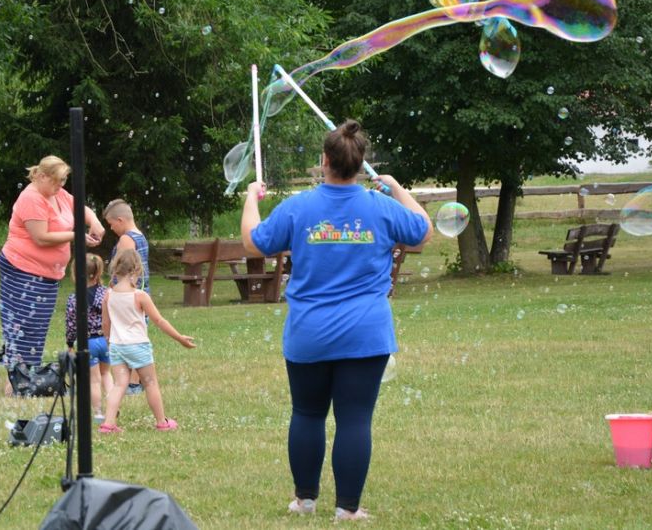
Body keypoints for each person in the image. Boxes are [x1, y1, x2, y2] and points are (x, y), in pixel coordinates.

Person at [241, 119, 432, 521]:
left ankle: (305, 501)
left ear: (324, 160)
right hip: (366, 334)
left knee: (307, 413)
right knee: (355, 419)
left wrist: (251, 199)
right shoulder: (380, 206)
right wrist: (396, 187)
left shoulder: (298, 207)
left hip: (309, 332)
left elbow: (254, 242)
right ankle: (347, 509)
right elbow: (423, 230)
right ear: (361, 164)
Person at [0, 155, 105, 393]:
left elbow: (79, 207)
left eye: (63, 181)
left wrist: (95, 221)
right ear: (41, 175)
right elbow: (41, 237)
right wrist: (76, 235)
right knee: (23, 325)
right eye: (56, 181)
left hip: (47, 274)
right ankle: (15, 382)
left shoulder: (57, 194)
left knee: (37, 327)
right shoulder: (31, 198)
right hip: (22, 269)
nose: (60, 186)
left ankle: (24, 380)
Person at [99, 249, 195, 434]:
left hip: (117, 347)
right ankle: (162, 422)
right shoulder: (140, 296)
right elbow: (159, 320)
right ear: (137, 270)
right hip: (138, 346)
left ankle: (108, 424)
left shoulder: (108, 295)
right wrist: (179, 338)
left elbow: (105, 323)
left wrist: (109, 341)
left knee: (119, 385)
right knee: (150, 383)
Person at [103, 198, 150, 394]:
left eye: (111, 223)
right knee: (138, 334)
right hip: (141, 293)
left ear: (120, 220)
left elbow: (121, 269)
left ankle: (132, 384)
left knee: (127, 337)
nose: (111, 228)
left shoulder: (126, 239)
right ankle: (139, 380)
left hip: (127, 297)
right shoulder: (140, 236)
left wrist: (111, 289)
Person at [64, 253, 111, 421]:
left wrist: (70, 343)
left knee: (94, 381)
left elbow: (71, 325)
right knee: (106, 374)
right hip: (105, 341)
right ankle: (113, 407)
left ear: (76, 273)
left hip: (88, 342)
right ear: (98, 272)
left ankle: (98, 413)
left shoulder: (74, 299)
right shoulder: (106, 293)